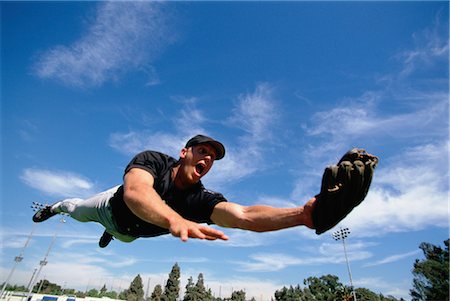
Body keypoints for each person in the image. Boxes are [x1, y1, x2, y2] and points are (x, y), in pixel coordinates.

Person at [33, 134, 317, 248]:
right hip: (108, 207)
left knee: (124, 238)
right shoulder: (154, 160)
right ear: (184, 152)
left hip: (129, 233)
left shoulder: (198, 198)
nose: (206, 158)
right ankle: (55, 206)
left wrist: (302, 216)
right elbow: (135, 193)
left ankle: (113, 233)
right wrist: (175, 220)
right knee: (77, 211)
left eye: (212, 158)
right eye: (202, 151)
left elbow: (243, 215)